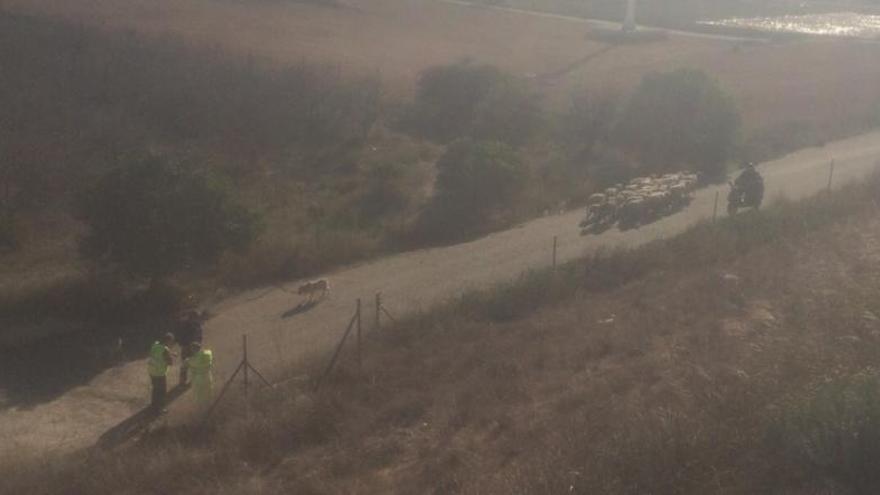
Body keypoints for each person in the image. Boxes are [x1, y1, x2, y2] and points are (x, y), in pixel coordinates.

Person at [147, 333, 175, 413]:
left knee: (155, 389)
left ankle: (154, 405)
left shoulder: (155, 345)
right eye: (171, 341)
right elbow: (170, 362)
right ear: (167, 340)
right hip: (159, 373)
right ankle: (160, 408)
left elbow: (156, 353)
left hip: (151, 370)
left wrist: (171, 353)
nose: (172, 343)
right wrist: (170, 356)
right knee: (162, 391)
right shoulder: (165, 350)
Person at [175, 310, 204, 385]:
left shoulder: (185, 324)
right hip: (191, 346)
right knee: (191, 363)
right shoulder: (195, 325)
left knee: (185, 364)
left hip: (187, 346)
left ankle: (183, 380)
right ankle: (190, 379)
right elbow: (199, 336)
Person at [185, 342, 214, 407]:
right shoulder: (208, 354)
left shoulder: (193, 360)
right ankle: (209, 405)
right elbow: (208, 352)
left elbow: (188, 363)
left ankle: (201, 407)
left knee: (199, 394)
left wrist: (187, 360)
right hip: (208, 376)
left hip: (199, 378)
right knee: (208, 392)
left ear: (194, 349)